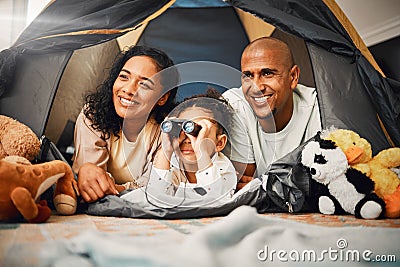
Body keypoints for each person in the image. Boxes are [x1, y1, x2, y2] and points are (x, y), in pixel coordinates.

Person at [72, 45, 179, 203]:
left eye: (144, 85)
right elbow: (91, 180)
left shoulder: (167, 129)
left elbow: (156, 186)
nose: (128, 89)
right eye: (124, 77)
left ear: (162, 98)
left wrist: (117, 188)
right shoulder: (94, 114)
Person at [222, 37, 322, 189]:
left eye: (267, 73)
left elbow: (327, 180)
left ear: (293, 77)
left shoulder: (318, 108)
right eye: (248, 76)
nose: (256, 87)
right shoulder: (235, 106)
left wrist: (266, 187)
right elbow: (242, 187)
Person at [144, 88, 237, 205]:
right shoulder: (174, 164)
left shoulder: (224, 168)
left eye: (197, 132)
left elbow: (216, 201)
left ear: (219, 143)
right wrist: (165, 150)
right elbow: (154, 197)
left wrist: (201, 151)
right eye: (182, 130)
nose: (188, 140)